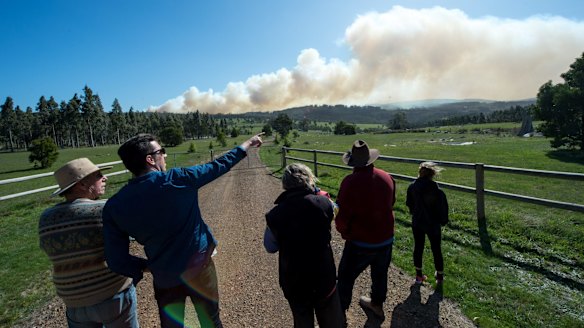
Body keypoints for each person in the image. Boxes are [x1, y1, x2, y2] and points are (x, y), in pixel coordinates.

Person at [102, 132, 264, 328]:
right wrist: (246, 144)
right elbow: (218, 166)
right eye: (162, 151)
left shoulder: (114, 206)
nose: (165, 156)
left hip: (164, 277)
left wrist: (147, 266)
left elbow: (116, 259)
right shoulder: (178, 179)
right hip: (200, 268)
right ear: (150, 159)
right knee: (210, 321)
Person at [38, 158, 139, 328]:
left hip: (73, 301)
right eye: (99, 175)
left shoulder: (45, 217)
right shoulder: (105, 209)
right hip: (112, 294)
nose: (105, 178)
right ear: (82, 185)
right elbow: (134, 235)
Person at [264, 163, 343, 328]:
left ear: (285, 184)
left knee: (302, 321)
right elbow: (334, 212)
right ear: (309, 180)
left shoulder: (275, 214)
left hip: (294, 282)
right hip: (324, 278)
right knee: (331, 320)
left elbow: (270, 247)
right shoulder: (324, 203)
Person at [335, 140, 396, 322]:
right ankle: (377, 305)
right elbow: (391, 203)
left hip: (360, 242)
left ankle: (341, 311)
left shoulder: (350, 182)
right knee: (380, 274)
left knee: (345, 276)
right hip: (385, 238)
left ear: (353, 162)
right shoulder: (387, 177)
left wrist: (344, 231)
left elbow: (342, 214)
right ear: (370, 159)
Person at [406, 162, 449, 285]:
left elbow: (409, 203)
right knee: (436, 249)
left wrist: (415, 212)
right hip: (433, 223)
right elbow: (442, 208)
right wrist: (443, 221)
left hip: (418, 221)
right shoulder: (437, 191)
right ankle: (439, 276)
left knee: (418, 247)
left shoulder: (412, 187)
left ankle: (419, 275)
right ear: (432, 175)